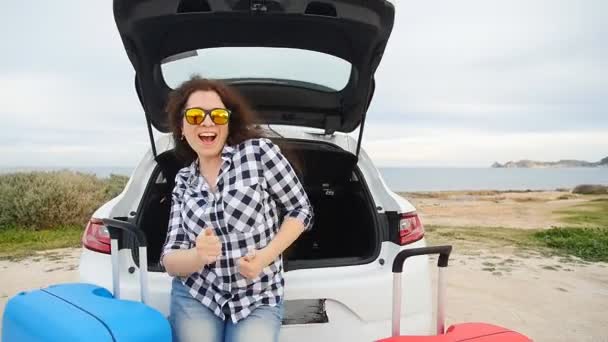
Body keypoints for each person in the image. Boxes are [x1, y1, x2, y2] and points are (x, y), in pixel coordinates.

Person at [160, 76, 314, 342]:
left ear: (228, 122)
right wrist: (198, 256)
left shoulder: (258, 153)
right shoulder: (184, 180)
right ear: (181, 128)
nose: (207, 122)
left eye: (217, 115)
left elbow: (300, 210)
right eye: (195, 116)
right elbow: (170, 259)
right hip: (198, 294)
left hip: (258, 295)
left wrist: (266, 257)